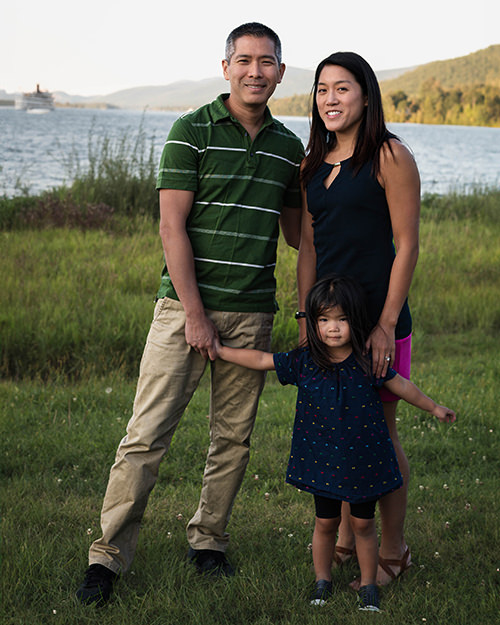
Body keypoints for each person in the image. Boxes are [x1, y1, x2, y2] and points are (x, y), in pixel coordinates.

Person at [76, 22, 304, 606]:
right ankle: (107, 556)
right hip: (184, 311)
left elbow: (301, 235)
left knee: (233, 439)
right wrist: (195, 314)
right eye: (245, 60)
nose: (256, 70)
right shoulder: (191, 130)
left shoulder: (289, 148)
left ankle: (208, 542)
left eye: (268, 61)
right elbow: (170, 227)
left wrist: (343, 188)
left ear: (281, 70)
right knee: (146, 435)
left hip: (252, 310)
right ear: (226, 67)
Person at [214, 275, 455, 612]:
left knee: (363, 524)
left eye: (341, 319)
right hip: (320, 460)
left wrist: (433, 407)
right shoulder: (305, 361)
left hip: (362, 460)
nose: (333, 328)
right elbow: (261, 360)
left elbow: (400, 384)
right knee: (325, 523)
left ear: (354, 321)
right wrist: (221, 350)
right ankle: (322, 580)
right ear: (313, 323)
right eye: (324, 320)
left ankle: (369, 586)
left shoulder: (366, 361)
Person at [296, 51, 421, 587]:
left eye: (342, 89)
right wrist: (306, 318)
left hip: (378, 321)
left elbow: (408, 244)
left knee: (379, 434)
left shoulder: (389, 156)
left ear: (366, 95)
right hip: (329, 327)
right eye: (322, 90)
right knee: (337, 428)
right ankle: (346, 535)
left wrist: (386, 322)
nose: (330, 99)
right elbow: (306, 246)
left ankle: (393, 551)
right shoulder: (313, 164)